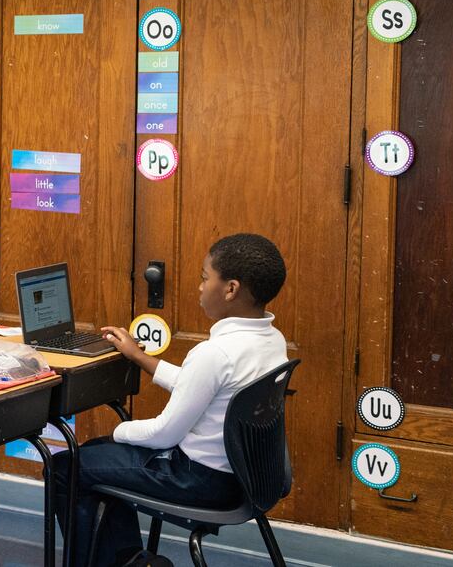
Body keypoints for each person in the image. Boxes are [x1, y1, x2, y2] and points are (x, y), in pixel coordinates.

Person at [52, 233, 290, 567]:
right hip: (244, 479)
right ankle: (127, 560)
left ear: (231, 289)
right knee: (99, 458)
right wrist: (139, 357)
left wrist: (120, 431)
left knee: (68, 465)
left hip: (198, 480)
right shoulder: (270, 340)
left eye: (205, 278)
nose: (200, 287)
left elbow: (164, 434)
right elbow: (203, 387)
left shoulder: (215, 353)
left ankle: (114, 560)